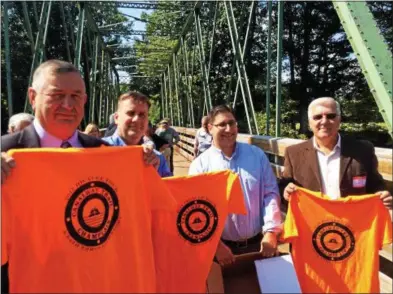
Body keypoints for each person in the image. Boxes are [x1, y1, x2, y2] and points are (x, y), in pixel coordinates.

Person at [0, 60, 159, 293]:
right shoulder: (6, 152)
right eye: (57, 95)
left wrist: (143, 166)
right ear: (33, 97)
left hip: (97, 283)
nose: (67, 104)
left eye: (76, 96)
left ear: (84, 101)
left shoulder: (106, 154)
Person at [189, 105, 282, 266]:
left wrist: (271, 232)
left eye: (232, 123)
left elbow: (270, 194)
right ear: (210, 128)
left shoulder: (256, 155)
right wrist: (216, 246)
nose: (229, 129)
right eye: (222, 124)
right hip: (222, 249)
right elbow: (197, 210)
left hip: (259, 244)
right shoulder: (200, 166)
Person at [282, 97, 392, 209]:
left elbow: (375, 184)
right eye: (317, 117)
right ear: (309, 123)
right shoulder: (293, 153)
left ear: (339, 119)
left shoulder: (363, 150)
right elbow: (284, 186)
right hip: (313, 222)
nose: (324, 121)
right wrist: (286, 191)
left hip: (353, 221)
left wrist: (382, 194)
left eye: (331, 116)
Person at [102, 91, 172, 178]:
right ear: (116, 118)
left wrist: (154, 176)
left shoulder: (158, 159)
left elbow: (169, 190)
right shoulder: (96, 151)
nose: (136, 119)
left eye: (142, 115)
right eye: (131, 113)